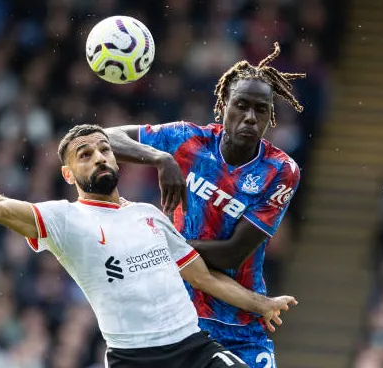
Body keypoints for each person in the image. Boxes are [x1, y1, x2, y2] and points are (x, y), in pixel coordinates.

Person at [0, 124, 298, 368]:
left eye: (104, 149)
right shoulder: (66, 220)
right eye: (85, 154)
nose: (100, 157)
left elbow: (202, 277)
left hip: (193, 349)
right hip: (134, 359)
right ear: (69, 174)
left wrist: (258, 304)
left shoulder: (150, 216)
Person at [105, 43, 305, 367]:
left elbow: (232, 252)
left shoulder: (280, 170)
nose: (250, 118)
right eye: (241, 105)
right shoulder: (188, 141)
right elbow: (103, 138)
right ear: (224, 104)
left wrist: (161, 247)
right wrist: (160, 158)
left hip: (238, 326)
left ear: (271, 116)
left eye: (261, 110)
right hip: (177, 320)